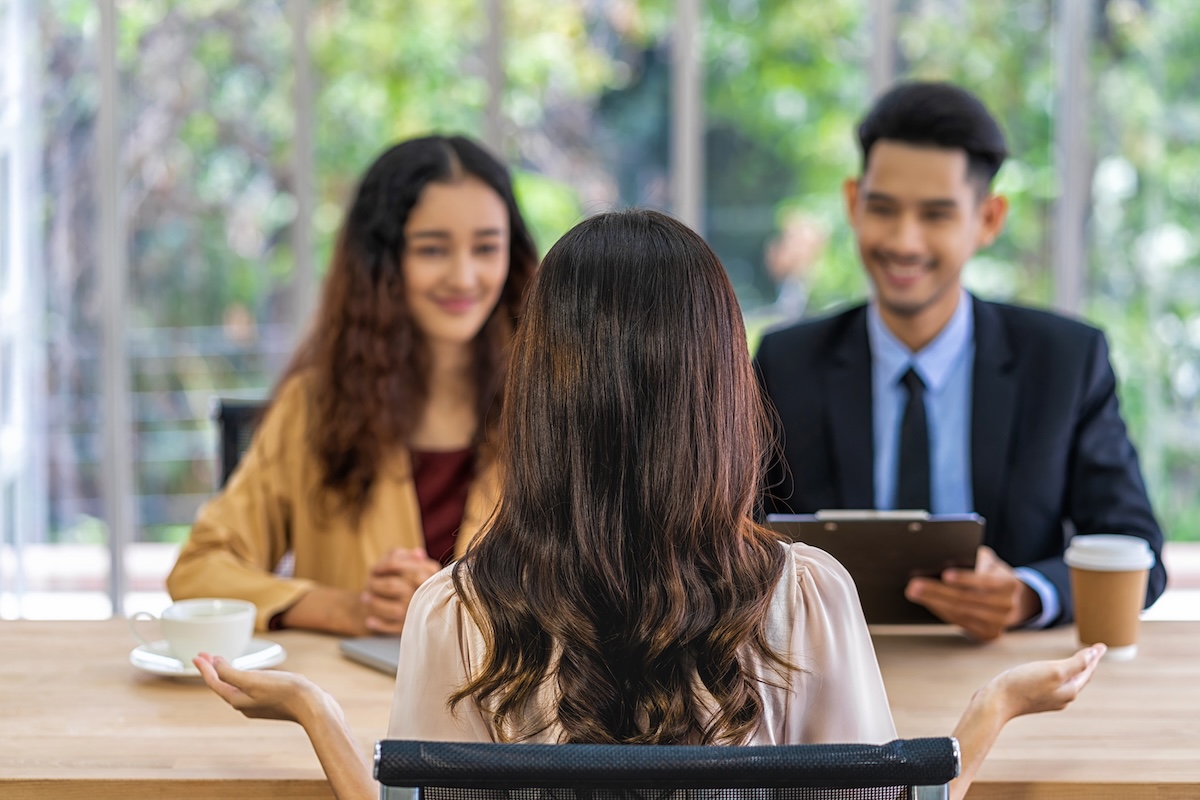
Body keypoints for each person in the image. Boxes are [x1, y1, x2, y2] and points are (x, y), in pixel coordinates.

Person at [194, 209, 1104, 800]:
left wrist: (317, 711)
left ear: (540, 399)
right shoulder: (809, 597)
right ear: (720, 396)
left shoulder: (454, 612)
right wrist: (989, 713)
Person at [754, 81, 1167, 641]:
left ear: (989, 219)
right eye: (883, 208)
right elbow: (735, 531)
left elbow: (1135, 547)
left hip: (1006, 668)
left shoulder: (1065, 362)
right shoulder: (787, 361)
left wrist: (1028, 594)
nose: (904, 240)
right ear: (853, 202)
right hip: (830, 670)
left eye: (936, 215)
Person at [166, 135, 538, 636]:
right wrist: (348, 609)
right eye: (432, 249)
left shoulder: (549, 408)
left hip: (505, 711)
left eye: (487, 248)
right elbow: (199, 570)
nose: (464, 276)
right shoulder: (314, 408)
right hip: (347, 705)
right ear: (383, 263)